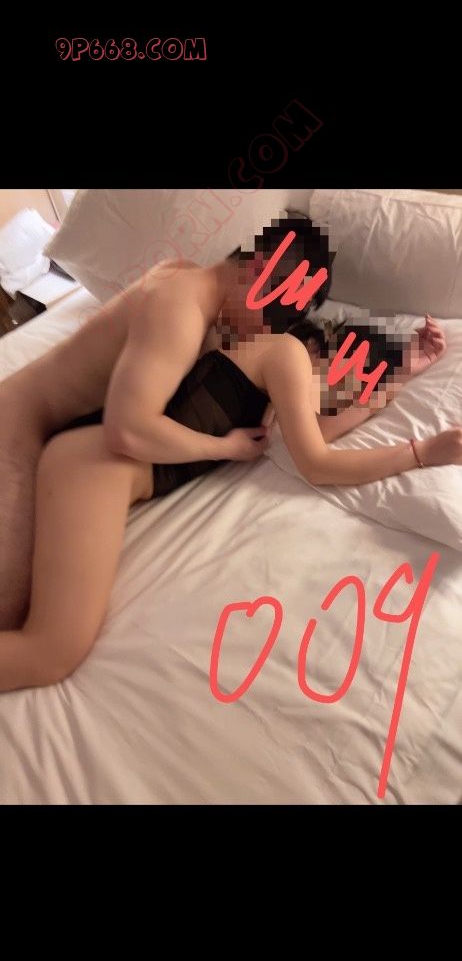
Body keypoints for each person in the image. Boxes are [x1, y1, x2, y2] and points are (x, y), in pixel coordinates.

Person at [0, 217, 461, 693]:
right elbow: (318, 459)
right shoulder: (270, 346)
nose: (342, 392)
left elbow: (319, 424)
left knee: (33, 634)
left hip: (87, 458)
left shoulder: (240, 335)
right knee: (50, 652)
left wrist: (400, 374)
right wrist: (420, 452)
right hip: (88, 462)